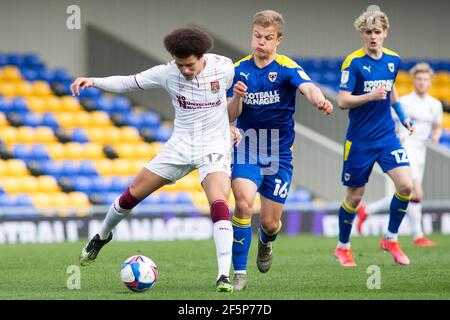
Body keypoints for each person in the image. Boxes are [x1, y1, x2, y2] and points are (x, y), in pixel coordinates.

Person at [71, 27, 241, 292]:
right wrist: (94, 81)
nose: (184, 70)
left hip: (213, 145)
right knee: (132, 195)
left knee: (219, 201)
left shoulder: (225, 68)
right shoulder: (167, 72)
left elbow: (234, 99)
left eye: (190, 64)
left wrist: (233, 125)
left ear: (202, 56)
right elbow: (128, 82)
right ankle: (101, 236)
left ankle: (223, 276)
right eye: (180, 64)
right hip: (180, 145)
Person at [227, 10, 333, 290]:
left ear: (278, 40)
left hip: (278, 152)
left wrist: (319, 101)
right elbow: (229, 115)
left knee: (271, 223)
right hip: (247, 146)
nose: (260, 42)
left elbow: (308, 87)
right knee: (243, 204)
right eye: (257, 36)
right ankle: (239, 273)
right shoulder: (238, 69)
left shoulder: (286, 67)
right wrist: (237, 97)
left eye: (267, 38)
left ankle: (265, 242)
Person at [335, 6, 416, 267]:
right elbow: (343, 101)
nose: (372, 36)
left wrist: (403, 116)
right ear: (362, 33)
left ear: (385, 33)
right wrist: (370, 96)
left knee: (406, 186)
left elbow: (391, 92)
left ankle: (390, 239)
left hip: (386, 137)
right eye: (368, 31)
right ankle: (343, 247)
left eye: (377, 32)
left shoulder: (393, 60)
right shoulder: (353, 63)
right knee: (355, 197)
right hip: (359, 140)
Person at [357, 62, 443, 247]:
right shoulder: (404, 101)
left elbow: (437, 126)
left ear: (430, 82)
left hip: (421, 151)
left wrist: (436, 135)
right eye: (419, 79)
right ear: (414, 81)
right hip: (406, 147)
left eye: (425, 79)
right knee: (413, 190)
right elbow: (388, 119)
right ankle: (417, 236)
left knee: (408, 193)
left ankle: (368, 210)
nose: (422, 82)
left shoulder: (435, 105)